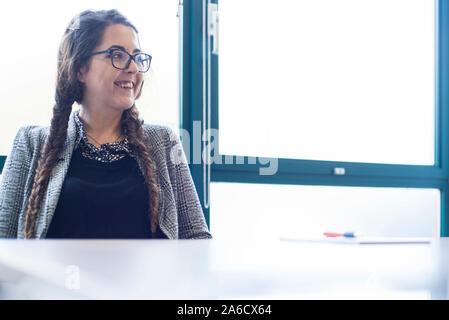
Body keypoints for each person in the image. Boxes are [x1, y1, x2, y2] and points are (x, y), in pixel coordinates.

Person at [0, 9, 212, 240]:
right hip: (58, 277)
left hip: (147, 278)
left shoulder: (163, 141)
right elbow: (4, 241)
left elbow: (197, 240)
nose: (133, 68)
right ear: (81, 68)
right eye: (117, 55)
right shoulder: (32, 143)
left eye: (137, 57)